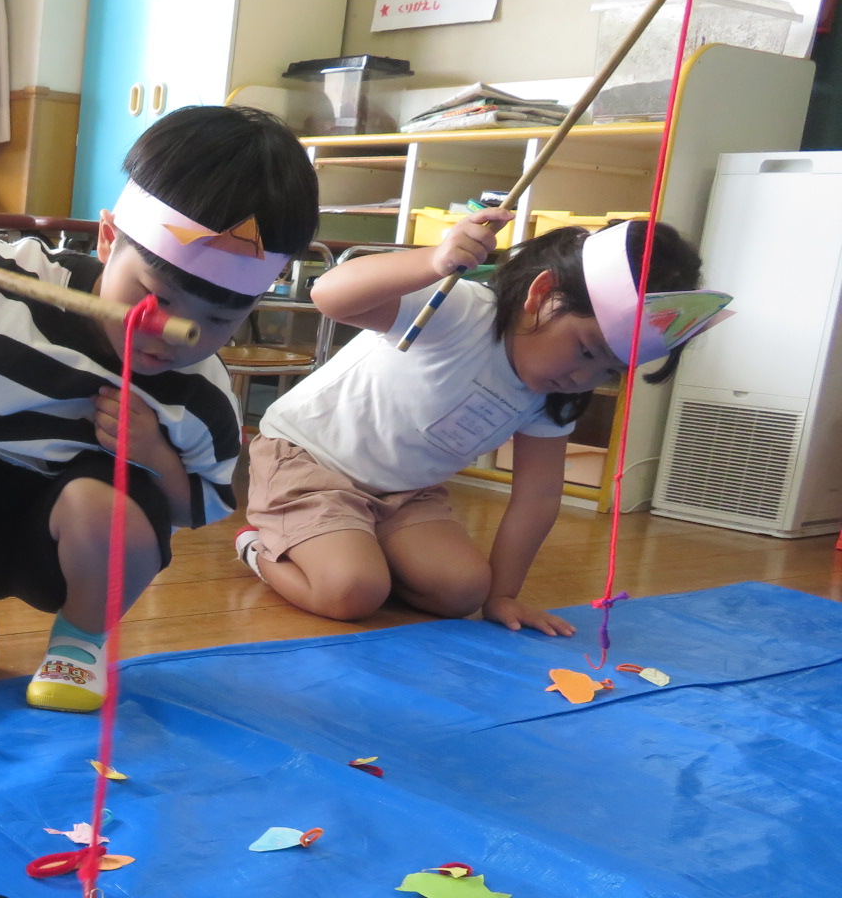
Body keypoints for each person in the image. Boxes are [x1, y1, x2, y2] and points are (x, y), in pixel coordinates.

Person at [0, 105, 318, 711]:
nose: (173, 333)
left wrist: (153, 455)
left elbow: (197, 506)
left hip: (76, 555)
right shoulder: (11, 280)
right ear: (109, 238)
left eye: (219, 319)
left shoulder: (202, 391)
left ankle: (80, 644)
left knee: (101, 499)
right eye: (154, 297)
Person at [236, 214, 720, 634]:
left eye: (608, 371)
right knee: (352, 592)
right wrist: (432, 261)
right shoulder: (461, 309)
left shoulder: (555, 392)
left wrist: (503, 595)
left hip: (405, 492)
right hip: (309, 461)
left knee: (463, 591)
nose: (582, 378)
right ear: (543, 293)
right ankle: (256, 545)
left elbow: (538, 495)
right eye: (587, 350)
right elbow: (330, 295)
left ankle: (351, 542)